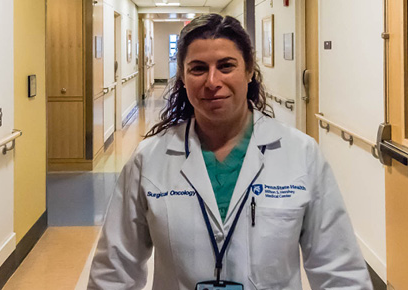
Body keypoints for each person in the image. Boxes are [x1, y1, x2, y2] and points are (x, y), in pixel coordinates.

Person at [88, 14, 372, 290]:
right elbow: (114, 272)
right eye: (198, 68)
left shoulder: (301, 154)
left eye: (226, 66)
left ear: (249, 71)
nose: (212, 81)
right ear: (183, 78)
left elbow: (339, 272)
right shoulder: (149, 159)